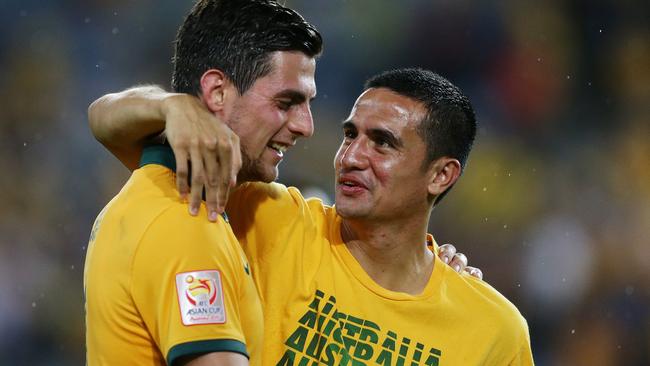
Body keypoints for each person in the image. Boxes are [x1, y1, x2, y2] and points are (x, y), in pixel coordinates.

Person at [91, 69, 532, 363]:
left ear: (441, 175)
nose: (351, 157)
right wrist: (172, 107)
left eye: (382, 143)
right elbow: (106, 121)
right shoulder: (267, 217)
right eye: (349, 134)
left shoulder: (495, 331)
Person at [84, 1, 323, 365]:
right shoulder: (187, 221)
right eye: (286, 101)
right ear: (217, 93)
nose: (305, 126)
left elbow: (103, 116)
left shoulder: (161, 191)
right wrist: (172, 106)